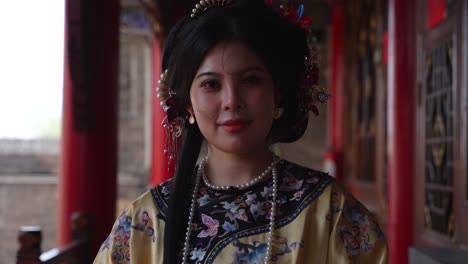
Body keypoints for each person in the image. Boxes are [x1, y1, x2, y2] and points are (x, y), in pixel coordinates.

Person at [94, 0, 388, 263]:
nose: (232, 101)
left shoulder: (330, 211)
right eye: (211, 84)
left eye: (251, 80)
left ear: (278, 94)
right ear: (188, 105)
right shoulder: (144, 223)